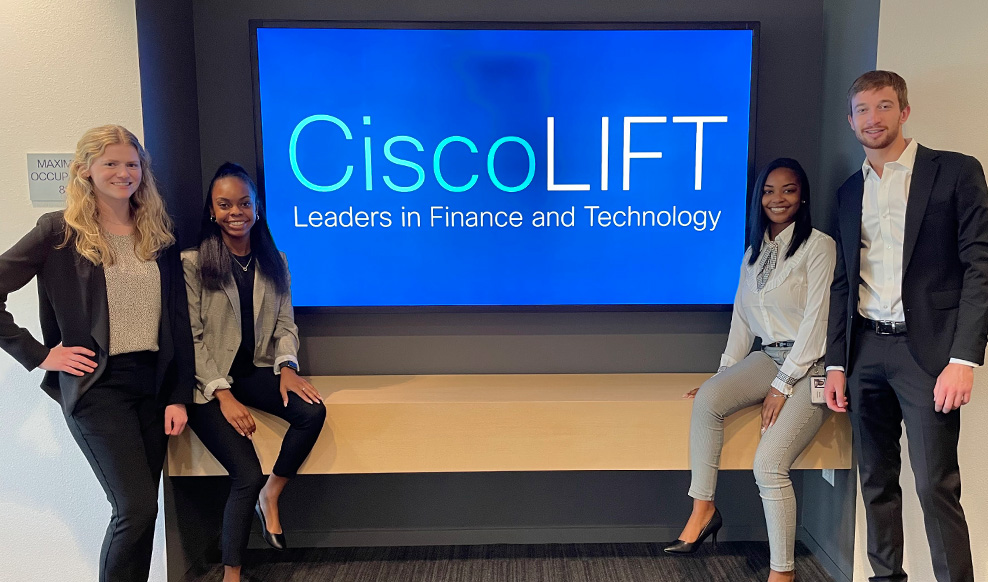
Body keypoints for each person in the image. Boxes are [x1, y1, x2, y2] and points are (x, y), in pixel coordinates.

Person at [0, 125, 194, 582]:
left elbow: (178, 322)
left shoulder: (159, 233)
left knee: (145, 512)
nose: (124, 173)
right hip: (97, 388)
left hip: (152, 384)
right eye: (111, 163)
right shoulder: (58, 232)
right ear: (85, 169)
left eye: (132, 164)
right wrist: (40, 354)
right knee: (135, 507)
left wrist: (177, 394)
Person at [824, 70, 988, 582]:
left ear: (905, 112)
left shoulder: (956, 172)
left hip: (930, 355)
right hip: (866, 352)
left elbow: (981, 264)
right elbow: (843, 283)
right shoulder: (850, 192)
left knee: (935, 486)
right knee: (875, 480)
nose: (874, 119)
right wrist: (834, 363)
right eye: (863, 110)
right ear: (850, 122)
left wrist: (964, 358)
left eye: (884, 106)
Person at [664, 158, 835, 582]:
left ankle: (783, 573)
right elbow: (742, 319)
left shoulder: (819, 246)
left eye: (788, 190)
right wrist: (722, 375)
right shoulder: (754, 252)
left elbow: (816, 324)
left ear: (803, 196)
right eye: (769, 191)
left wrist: (782, 385)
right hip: (768, 355)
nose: (777, 199)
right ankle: (703, 509)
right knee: (708, 400)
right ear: (758, 198)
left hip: (810, 363)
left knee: (768, 465)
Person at [182, 162, 327, 582]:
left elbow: (285, 324)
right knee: (246, 473)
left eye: (244, 203)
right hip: (208, 385)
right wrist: (222, 395)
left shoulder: (274, 260)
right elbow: (190, 339)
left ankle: (273, 494)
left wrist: (286, 366)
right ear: (212, 211)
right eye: (224, 204)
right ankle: (232, 574)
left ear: (257, 208)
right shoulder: (193, 264)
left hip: (255, 371)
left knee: (311, 411)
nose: (236, 212)